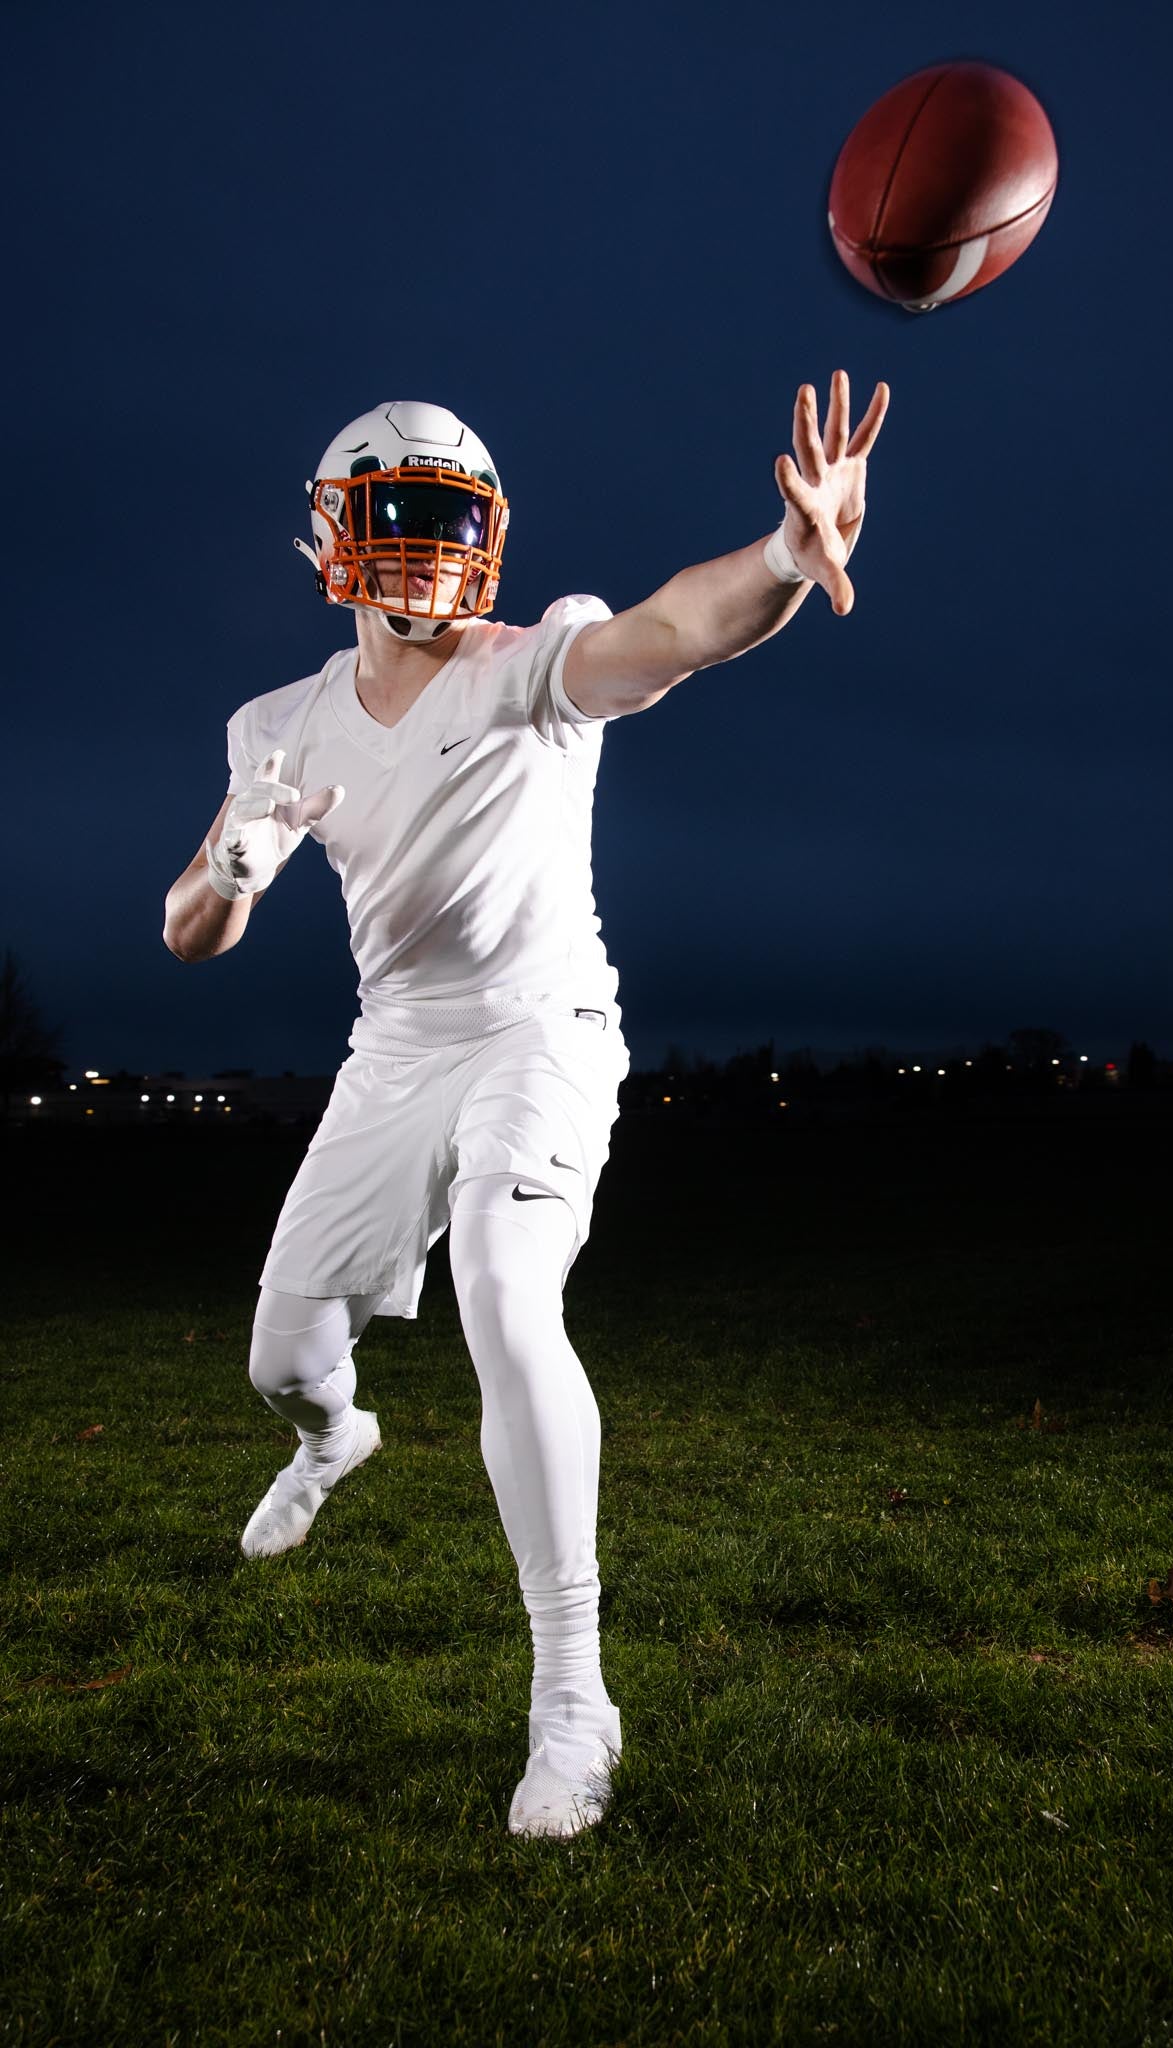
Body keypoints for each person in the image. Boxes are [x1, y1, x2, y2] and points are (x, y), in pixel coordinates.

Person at [162, 374, 889, 1839]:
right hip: (393, 1050)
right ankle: (332, 1440)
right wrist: (232, 869)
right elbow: (189, 931)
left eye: (451, 519)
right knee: (282, 1358)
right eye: (398, 512)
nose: (428, 545)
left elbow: (671, 630)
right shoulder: (278, 726)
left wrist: (780, 557)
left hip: (541, 1030)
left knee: (505, 1289)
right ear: (331, 532)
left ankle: (573, 1697)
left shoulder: (529, 661)